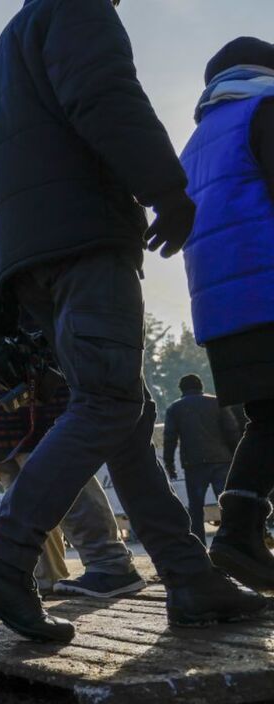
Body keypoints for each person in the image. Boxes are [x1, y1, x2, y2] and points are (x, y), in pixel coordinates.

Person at [0, 0, 265, 644]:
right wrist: (166, 190)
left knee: (124, 417)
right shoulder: (76, 8)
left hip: (30, 261)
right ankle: (3, 558)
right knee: (109, 403)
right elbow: (105, 96)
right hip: (84, 239)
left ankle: (188, 576)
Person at [0, 141, 144, 599]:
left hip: (28, 371)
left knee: (50, 468)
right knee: (19, 476)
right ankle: (45, 577)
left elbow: (20, 291)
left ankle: (109, 561)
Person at [178, 36, 274, 590]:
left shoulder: (196, 141)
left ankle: (239, 531)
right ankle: (239, 531)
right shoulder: (265, 109)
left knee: (270, 420)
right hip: (267, 290)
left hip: (222, 307)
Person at [163, 375, 241, 545]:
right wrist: (237, 456)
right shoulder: (217, 402)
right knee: (227, 504)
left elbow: (169, 439)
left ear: (181, 389)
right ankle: (232, 540)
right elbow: (232, 430)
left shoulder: (175, 408)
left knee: (196, 507)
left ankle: (199, 543)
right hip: (222, 460)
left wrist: (169, 464)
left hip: (194, 464)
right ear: (201, 386)